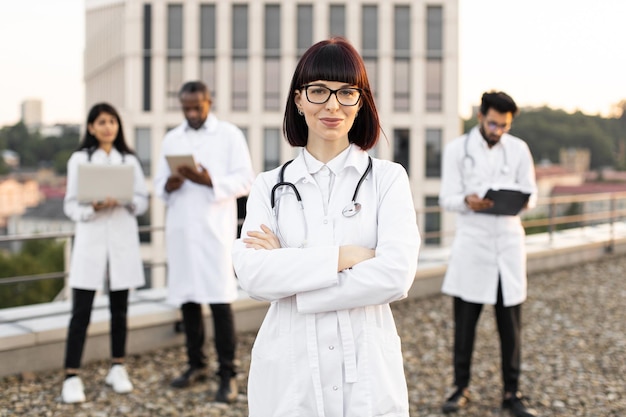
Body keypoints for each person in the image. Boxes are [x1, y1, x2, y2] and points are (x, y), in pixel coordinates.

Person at [232, 37, 420, 417]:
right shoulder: (269, 185)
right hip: (289, 372)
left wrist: (293, 273)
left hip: (366, 371)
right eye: (318, 91)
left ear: (361, 101)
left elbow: (396, 275)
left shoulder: (388, 179)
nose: (332, 105)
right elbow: (253, 274)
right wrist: (345, 256)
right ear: (298, 100)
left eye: (346, 92)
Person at [438, 91, 539, 417]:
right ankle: (460, 387)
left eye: (504, 126)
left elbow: (532, 194)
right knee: (465, 325)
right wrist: (467, 201)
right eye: (493, 123)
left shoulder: (519, 148)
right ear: (481, 116)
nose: (498, 131)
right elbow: (446, 197)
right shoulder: (457, 150)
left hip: (507, 246)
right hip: (473, 247)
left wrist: (522, 200)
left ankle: (512, 393)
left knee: (511, 328)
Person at [154, 81, 254, 403]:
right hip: (182, 229)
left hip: (214, 231)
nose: (192, 113)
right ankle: (196, 363)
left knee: (220, 301)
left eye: (197, 107)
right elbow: (158, 185)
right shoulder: (172, 138)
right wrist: (170, 184)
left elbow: (245, 180)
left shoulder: (229, 135)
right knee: (188, 300)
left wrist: (209, 180)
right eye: (186, 108)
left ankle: (228, 373)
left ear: (209, 102)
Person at [61, 102, 149, 403]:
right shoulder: (79, 160)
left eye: (112, 121)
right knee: (81, 312)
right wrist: (92, 207)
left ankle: (117, 367)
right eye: (101, 122)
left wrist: (126, 201)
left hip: (122, 241)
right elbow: (70, 205)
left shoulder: (129, 159)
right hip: (91, 242)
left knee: (120, 311)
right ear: (91, 128)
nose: (108, 126)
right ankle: (71, 375)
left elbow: (143, 201)